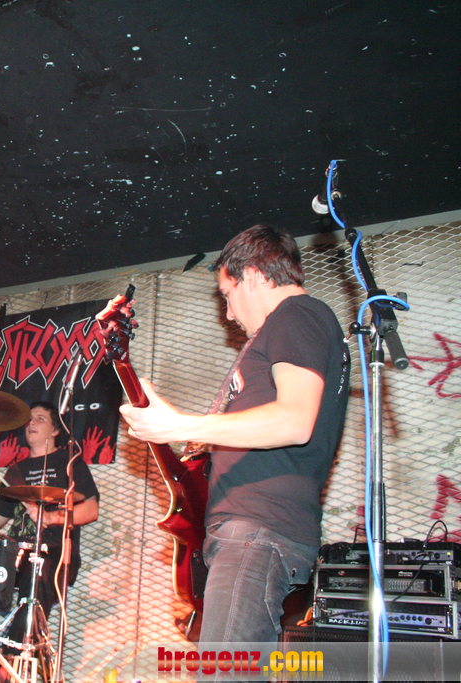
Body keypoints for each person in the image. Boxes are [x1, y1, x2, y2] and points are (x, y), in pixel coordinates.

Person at [119, 223, 350, 643]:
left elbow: (294, 421)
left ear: (256, 276)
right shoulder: (285, 329)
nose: (228, 313)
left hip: (259, 532)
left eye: (228, 295)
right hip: (250, 534)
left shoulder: (297, 314)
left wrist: (180, 424)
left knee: (226, 669)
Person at [0, 401, 99, 623]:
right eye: (29, 420)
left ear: (55, 430)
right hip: (16, 552)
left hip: (54, 552)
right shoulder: (16, 470)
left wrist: (50, 517)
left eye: (40, 419)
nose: (31, 423)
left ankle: (23, 639)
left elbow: (91, 510)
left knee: (36, 570)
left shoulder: (70, 463)